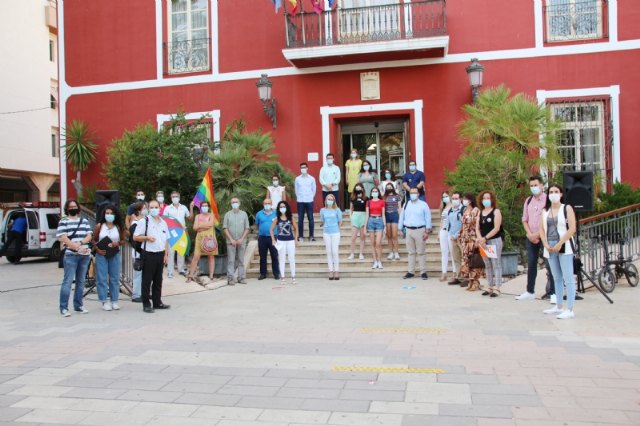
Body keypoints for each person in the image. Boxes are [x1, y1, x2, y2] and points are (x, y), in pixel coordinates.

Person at [540, 184, 577, 319]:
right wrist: (545, 244)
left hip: (564, 245)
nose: (553, 194)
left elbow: (572, 228)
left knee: (568, 277)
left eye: (556, 191)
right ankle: (559, 305)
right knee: (556, 277)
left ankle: (570, 308)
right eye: (551, 192)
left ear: (561, 194)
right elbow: (541, 229)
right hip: (549, 245)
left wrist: (560, 243)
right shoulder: (545, 211)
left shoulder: (566, 208)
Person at [517, 175, 556, 303]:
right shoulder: (528, 200)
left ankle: (553, 292)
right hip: (531, 237)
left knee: (550, 264)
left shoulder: (547, 200)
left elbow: (550, 220)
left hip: (545, 237)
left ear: (541, 185)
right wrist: (529, 234)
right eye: (531, 185)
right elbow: (524, 219)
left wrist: (538, 234)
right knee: (532, 263)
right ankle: (530, 291)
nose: (534, 188)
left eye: (536, 185)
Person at [57, 200, 93, 316]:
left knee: (81, 281)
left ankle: (78, 305)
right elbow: (63, 238)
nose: (73, 208)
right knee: (67, 282)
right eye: (70, 206)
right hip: (71, 255)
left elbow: (89, 235)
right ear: (67, 209)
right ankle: (63, 308)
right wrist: (77, 248)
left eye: (75, 206)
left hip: (84, 255)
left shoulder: (84, 221)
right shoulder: (64, 221)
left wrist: (81, 243)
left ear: (78, 208)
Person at [133, 200, 171, 313]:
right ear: (148, 208)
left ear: (159, 208)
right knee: (147, 280)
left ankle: (157, 302)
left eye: (156, 207)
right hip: (149, 254)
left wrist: (166, 254)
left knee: (158, 280)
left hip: (160, 253)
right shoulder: (144, 221)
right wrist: (147, 238)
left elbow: (166, 240)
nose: (154, 209)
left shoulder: (163, 222)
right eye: (151, 207)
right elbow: (135, 237)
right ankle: (146, 304)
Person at [93, 205, 124, 311]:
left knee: (114, 277)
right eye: (107, 213)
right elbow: (94, 240)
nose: (109, 215)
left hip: (114, 254)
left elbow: (123, 240)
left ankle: (114, 300)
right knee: (101, 278)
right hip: (102, 254)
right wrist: (97, 249)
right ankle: (104, 300)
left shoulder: (118, 227)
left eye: (111, 213)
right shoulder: (99, 226)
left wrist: (117, 243)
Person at [399, 187, 432, 279]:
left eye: (415, 193)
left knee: (421, 252)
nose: (413, 194)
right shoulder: (406, 204)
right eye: (411, 193)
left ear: (418, 194)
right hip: (408, 230)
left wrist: (427, 230)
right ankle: (410, 271)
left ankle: (423, 272)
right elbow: (402, 216)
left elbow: (428, 217)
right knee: (411, 252)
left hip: (420, 230)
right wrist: (400, 228)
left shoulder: (423, 205)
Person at [476, 190, 504, 297]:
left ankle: (497, 287)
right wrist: (480, 239)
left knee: (496, 263)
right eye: (484, 198)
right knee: (487, 264)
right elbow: (477, 228)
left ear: (492, 199)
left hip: (494, 240)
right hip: (483, 242)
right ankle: (489, 286)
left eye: (488, 198)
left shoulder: (496, 211)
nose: (486, 200)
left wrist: (485, 238)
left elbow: (497, 228)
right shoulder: (480, 212)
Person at [187, 200, 217, 284]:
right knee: (196, 257)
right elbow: (194, 227)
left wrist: (199, 226)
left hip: (210, 238)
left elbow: (210, 224)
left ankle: (211, 276)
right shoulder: (197, 216)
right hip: (199, 238)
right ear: (200, 208)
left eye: (206, 206)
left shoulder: (211, 215)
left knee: (211, 256)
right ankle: (190, 276)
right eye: (203, 206)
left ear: (208, 207)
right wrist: (204, 225)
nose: (204, 207)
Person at [223, 197, 250, 285]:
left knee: (241, 260)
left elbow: (247, 228)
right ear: (231, 204)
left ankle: (241, 277)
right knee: (231, 260)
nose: (235, 203)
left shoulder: (244, 214)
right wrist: (231, 239)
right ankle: (230, 278)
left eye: (236, 202)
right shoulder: (227, 214)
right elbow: (225, 228)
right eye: (233, 202)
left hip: (242, 241)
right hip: (230, 241)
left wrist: (241, 239)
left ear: (239, 203)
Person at [458, 193, 483, 291]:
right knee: (466, 261)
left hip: (473, 239)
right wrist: (460, 235)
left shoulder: (476, 210)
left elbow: (478, 225)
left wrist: (478, 238)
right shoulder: (464, 210)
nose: (463, 201)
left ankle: (476, 281)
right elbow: (463, 224)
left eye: (465, 199)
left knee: (474, 260)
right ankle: (470, 281)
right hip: (465, 239)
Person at [164, 191, 191, 278]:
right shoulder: (168, 208)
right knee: (171, 252)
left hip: (182, 232)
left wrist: (191, 207)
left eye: (176, 196)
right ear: (171, 198)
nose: (175, 198)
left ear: (179, 197)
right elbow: (164, 220)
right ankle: (170, 271)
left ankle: (181, 269)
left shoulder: (183, 207)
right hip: (171, 232)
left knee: (181, 251)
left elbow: (189, 217)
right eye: (173, 196)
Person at [271, 201, 299, 285]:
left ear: (286, 207)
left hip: (290, 241)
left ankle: (293, 277)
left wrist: (296, 239)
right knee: (282, 259)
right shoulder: (277, 218)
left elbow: (296, 228)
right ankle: (282, 277)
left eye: (284, 206)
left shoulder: (291, 217)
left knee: (292, 259)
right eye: (280, 207)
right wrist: (273, 239)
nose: (282, 208)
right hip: (280, 241)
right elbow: (271, 229)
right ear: (279, 209)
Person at [255, 198, 280, 281]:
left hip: (273, 238)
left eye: (268, 203)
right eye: (265, 203)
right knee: (262, 257)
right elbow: (257, 225)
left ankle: (276, 273)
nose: (267, 205)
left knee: (274, 256)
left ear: (271, 204)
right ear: (263, 204)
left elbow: (279, 224)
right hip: (262, 238)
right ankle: (263, 273)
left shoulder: (276, 213)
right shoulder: (259, 214)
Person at [320, 194, 343, 280]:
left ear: (334, 201)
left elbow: (340, 221)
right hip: (326, 232)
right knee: (329, 251)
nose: (329, 200)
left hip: (335, 233)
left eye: (331, 199)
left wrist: (337, 229)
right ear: (326, 200)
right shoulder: (322, 210)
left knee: (335, 251)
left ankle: (336, 270)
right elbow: (322, 220)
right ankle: (330, 270)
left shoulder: (337, 210)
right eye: (328, 199)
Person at [129, 201, 147, 303]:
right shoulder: (135, 223)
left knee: (145, 274)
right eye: (144, 208)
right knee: (138, 274)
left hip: (146, 251)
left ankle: (143, 292)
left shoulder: (146, 220)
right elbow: (134, 239)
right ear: (139, 210)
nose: (146, 209)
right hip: (138, 251)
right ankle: (136, 294)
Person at [294, 162, 316, 242]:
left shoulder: (312, 178)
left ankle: (311, 236)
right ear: (300, 169)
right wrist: (299, 197)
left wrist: (310, 197)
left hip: (309, 200)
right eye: (301, 167)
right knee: (300, 219)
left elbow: (314, 190)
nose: (303, 169)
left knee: (311, 219)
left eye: (304, 167)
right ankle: (301, 236)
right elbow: (296, 190)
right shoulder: (297, 179)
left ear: (307, 168)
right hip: (300, 201)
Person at [447, 192, 464, 285]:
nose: (454, 200)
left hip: (461, 237)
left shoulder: (463, 209)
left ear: (460, 199)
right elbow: (449, 223)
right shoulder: (450, 210)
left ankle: (466, 277)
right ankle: (458, 276)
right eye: (453, 198)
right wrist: (450, 235)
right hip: (452, 238)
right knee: (456, 258)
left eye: (456, 198)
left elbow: (464, 224)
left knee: (464, 258)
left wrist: (457, 235)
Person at [347, 184, 367, 260]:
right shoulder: (353, 198)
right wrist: (351, 217)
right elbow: (351, 208)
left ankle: (361, 253)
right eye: (357, 188)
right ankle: (352, 253)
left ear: (362, 189)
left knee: (362, 237)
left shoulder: (366, 198)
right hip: (355, 215)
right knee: (353, 237)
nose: (358, 189)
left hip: (363, 215)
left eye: (359, 188)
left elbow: (367, 209)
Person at [383, 183, 402, 260]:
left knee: (394, 235)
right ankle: (391, 252)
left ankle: (396, 252)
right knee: (389, 236)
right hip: (387, 215)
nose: (389, 188)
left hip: (394, 215)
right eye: (387, 187)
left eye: (390, 187)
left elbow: (399, 208)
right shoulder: (384, 197)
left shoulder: (397, 196)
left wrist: (401, 218)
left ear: (393, 188)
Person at [438, 191, 453, 282]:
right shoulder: (443, 207)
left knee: (452, 252)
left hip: (451, 231)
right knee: (444, 253)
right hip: (443, 231)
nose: (445, 198)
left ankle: (455, 273)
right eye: (443, 197)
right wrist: (439, 233)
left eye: (446, 196)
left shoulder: (453, 207)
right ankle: (444, 273)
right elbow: (442, 220)